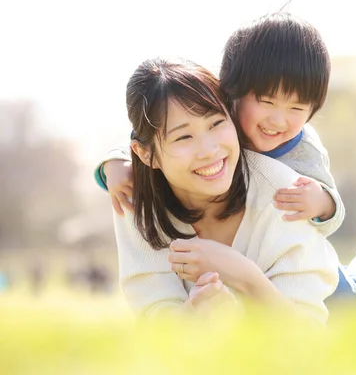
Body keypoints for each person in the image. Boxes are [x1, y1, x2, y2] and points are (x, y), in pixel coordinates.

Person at [95, 12, 356, 313]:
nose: (278, 121)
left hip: (309, 263)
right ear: (230, 92)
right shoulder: (212, 114)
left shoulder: (301, 154)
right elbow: (157, 124)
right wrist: (112, 165)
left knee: (353, 300)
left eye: (297, 110)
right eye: (266, 102)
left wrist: (319, 201)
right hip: (275, 277)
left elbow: (332, 212)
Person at [114, 57, 339, 325]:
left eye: (216, 124)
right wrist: (192, 318)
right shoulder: (134, 200)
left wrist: (241, 274)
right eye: (184, 137)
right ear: (146, 154)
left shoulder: (286, 195)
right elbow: (154, 322)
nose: (209, 150)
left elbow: (309, 335)